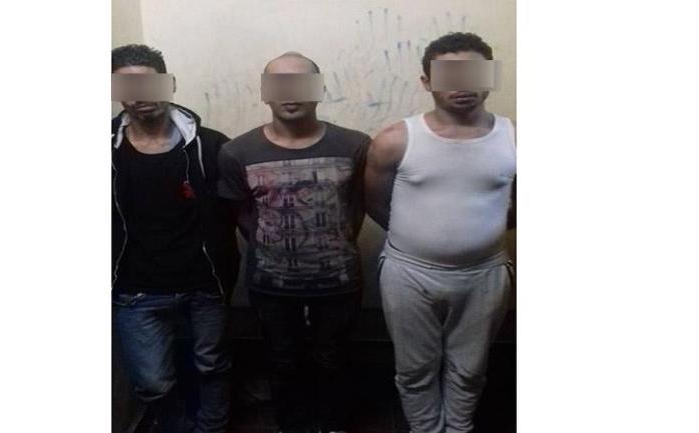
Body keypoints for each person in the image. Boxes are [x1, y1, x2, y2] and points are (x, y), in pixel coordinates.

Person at [364, 32, 516, 433]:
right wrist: (423, 239)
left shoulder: (516, 138)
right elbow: (376, 204)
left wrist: (479, 235)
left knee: (470, 369)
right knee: (415, 370)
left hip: (485, 273)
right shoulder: (395, 140)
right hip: (409, 273)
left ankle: (459, 428)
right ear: (427, 82)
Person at [217, 52, 370, 433]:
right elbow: (241, 213)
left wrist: (331, 242)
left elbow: (357, 206)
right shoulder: (237, 152)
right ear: (265, 92)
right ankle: (292, 424)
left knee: (334, 358)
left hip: (338, 279)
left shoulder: (355, 145)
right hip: (271, 282)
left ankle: (333, 424)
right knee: (282, 360)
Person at [111, 44, 239, 433]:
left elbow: (234, 210)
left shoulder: (210, 145)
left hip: (205, 282)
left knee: (211, 365)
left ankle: (212, 427)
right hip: (136, 288)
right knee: (153, 382)